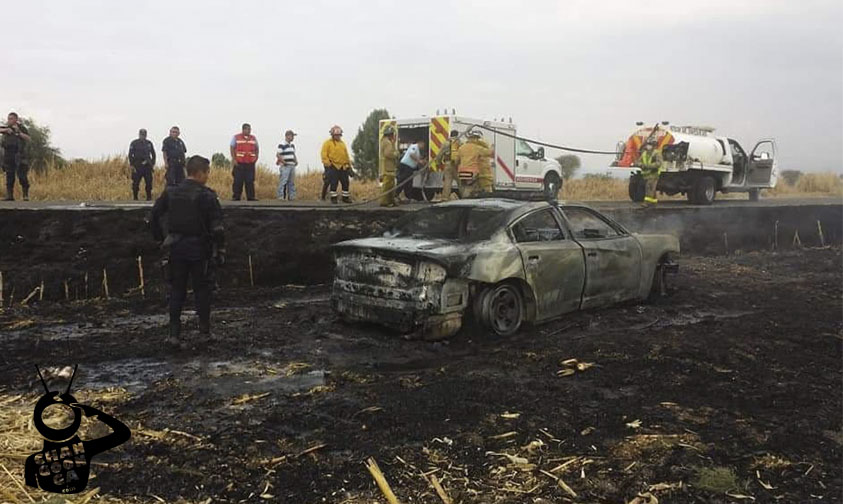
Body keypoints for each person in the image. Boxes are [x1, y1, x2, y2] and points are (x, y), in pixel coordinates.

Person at [151, 155, 226, 348]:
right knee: (202, 290)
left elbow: (153, 217)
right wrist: (221, 250)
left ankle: (174, 334)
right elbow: (218, 228)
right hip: (200, 249)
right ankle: (204, 332)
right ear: (200, 173)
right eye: (207, 172)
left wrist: (161, 239)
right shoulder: (207, 195)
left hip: (175, 247)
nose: (208, 176)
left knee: (177, 290)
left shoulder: (171, 192)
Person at [0, 112, 32, 201]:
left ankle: (25, 195)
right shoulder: (6, 128)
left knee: (22, 176)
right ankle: (9, 196)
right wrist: (5, 130)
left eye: (11, 119)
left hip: (19, 155)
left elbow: (28, 139)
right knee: (9, 176)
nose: (9, 120)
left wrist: (19, 132)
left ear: (16, 120)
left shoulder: (21, 128)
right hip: (8, 155)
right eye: (8, 118)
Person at [320, 125, 354, 204]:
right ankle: (333, 198)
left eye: (339, 135)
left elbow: (346, 155)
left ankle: (345, 198)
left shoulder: (342, 144)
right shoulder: (327, 143)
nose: (338, 136)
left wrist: (349, 166)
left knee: (345, 183)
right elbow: (324, 154)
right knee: (333, 183)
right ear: (332, 135)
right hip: (333, 166)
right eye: (336, 135)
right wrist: (328, 164)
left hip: (343, 167)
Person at [454, 129, 493, 198]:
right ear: (475, 138)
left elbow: (456, 161)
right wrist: (492, 147)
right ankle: (466, 201)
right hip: (472, 172)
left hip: (461, 172)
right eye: (477, 139)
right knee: (470, 187)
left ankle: (465, 201)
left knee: (466, 187)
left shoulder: (461, 148)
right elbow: (489, 153)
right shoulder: (476, 148)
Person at [230, 123, 259, 201]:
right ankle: (236, 196)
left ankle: (251, 197)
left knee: (250, 181)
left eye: (250, 129)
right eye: (247, 129)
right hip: (239, 162)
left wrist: (256, 157)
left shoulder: (253, 138)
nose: (249, 131)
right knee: (238, 180)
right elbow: (232, 147)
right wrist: (234, 159)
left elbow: (257, 148)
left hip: (250, 162)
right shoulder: (236, 137)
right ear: (243, 129)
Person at [128, 128, 156, 200]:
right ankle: (135, 197)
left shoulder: (149, 143)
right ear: (139, 134)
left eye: (144, 134)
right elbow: (130, 154)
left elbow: (153, 154)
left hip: (147, 166)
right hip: (137, 165)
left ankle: (149, 197)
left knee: (149, 182)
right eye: (141, 134)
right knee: (136, 183)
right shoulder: (134, 143)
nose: (143, 136)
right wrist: (132, 165)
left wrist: (152, 163)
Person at [378, 125, 398, 207]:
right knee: (387, 185)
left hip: (387, 167)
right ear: (390, 134)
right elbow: (388, 154)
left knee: (390, 185)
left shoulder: (384, 141)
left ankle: (391, 201)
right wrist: (396, 154)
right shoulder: (387, 143)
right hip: (388, 168)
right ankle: (385, 202)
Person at [638, 139, 663, 205]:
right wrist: (640, 165)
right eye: (647, 145)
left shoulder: (657, 153)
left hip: (654, 173)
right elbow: (639, 161)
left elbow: (659, 163)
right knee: (652, 188)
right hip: (646, 174)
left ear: (654, 146)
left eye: (650, 145)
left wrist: (648, 166)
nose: (648, 146)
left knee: (649, 187)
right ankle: (653, 202)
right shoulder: (644, 153)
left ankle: (647, 202)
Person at [276, 130, 298, 200]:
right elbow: (278, 154)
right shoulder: (282, 144)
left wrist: (295, 160)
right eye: (292, 136)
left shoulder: (292, 145)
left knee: (291, 182)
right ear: (288, 136)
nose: (293, 138)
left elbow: (293, 154)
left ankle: (291, 196)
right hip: (285, 165)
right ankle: (280, 196)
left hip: (292, 165)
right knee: (283, 181)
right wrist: (283, 161)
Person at [441, 130, 461, 201]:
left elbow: (440, 153)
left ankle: (445, 198)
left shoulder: (446, 143)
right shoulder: (459, 142)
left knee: (447, 181)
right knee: (460, 181)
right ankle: (464, 196)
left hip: (447, 164)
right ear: (457, 135)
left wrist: (438, 162)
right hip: (457, 165)